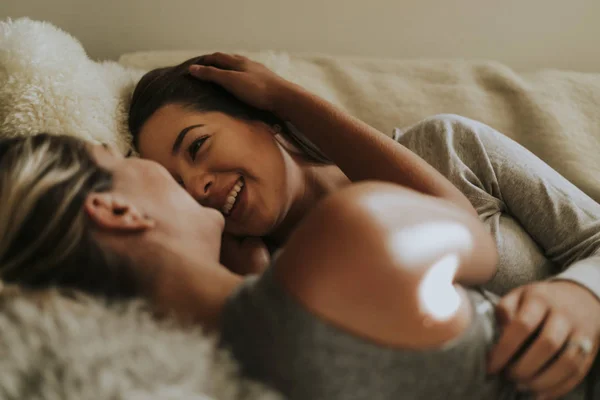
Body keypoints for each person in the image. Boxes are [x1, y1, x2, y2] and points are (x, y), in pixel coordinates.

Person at [128, 53, 600, 399]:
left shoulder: (448, 148)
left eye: (197, 147)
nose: (197, 186)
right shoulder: (267, 284)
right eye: (175, 184)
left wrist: (581, 295)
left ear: (262, 120)